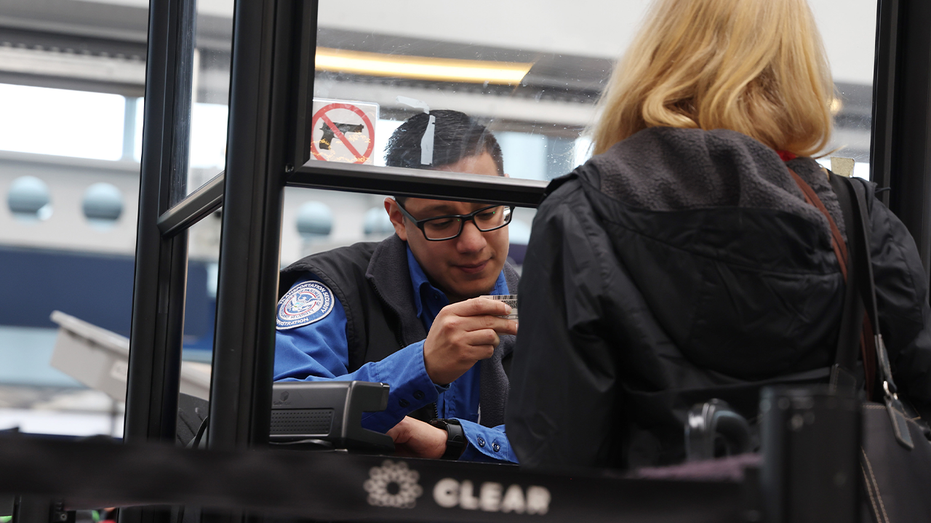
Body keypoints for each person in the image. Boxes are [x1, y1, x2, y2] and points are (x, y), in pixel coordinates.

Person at [506, 0, 931, 470]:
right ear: (797, 69)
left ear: (656, 59)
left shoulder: (579, 215)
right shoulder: (858, 219)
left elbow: (556, 453)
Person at [275, 110, 519, 462]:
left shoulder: (543, 304)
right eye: (442, 221)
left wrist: (454, 442)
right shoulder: (335, 286)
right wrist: (421, 366)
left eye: (488, 213)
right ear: (398, 219)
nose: (473, 242)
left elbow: (575, 439)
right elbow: (280, 411)